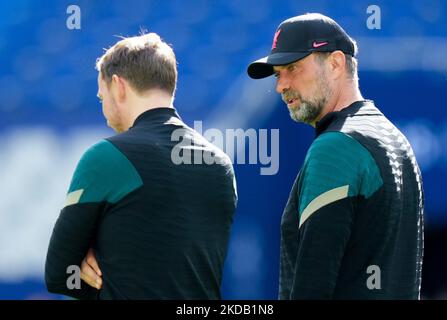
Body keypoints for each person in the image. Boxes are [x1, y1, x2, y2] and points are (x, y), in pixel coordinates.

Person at [45, 32, 237, 299]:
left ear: (119, 86)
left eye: (102, 98)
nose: (104, 109)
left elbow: (57, 274)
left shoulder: (107, 156)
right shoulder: (220, 164)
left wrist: (94, 266)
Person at [247, 13, 424, 299]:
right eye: (278, 74)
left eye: (293, 67)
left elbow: (312, 286)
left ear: (335, 63)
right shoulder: (396, 139)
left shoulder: (336, 147)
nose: (281, 85)